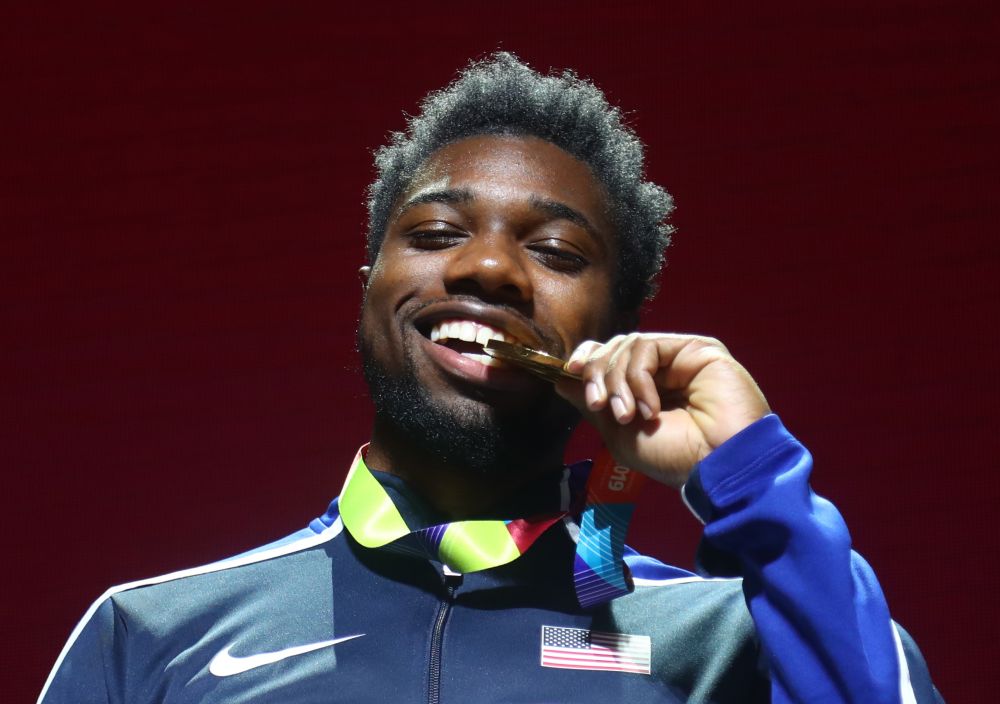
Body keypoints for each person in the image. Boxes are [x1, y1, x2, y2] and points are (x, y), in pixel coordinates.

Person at [38, 53, 942, 703]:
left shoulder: (721, 641)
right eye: (434, 235)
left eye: (553, 252)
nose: (489, 271)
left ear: (615, 336)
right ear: (370, 291)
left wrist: (753, 486)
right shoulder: (154, 638)